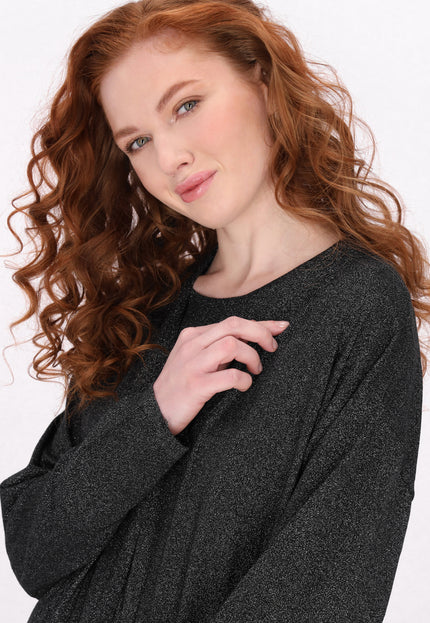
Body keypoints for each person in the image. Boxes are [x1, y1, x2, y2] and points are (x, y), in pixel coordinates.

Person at [1, 1, 429, 621]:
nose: (168, 157)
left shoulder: (357, 308)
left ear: (262, 80)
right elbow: (33, 551)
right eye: (138, 141)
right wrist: (153, 417)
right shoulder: (144, 313)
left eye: (186, 105)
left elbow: (326, 590)